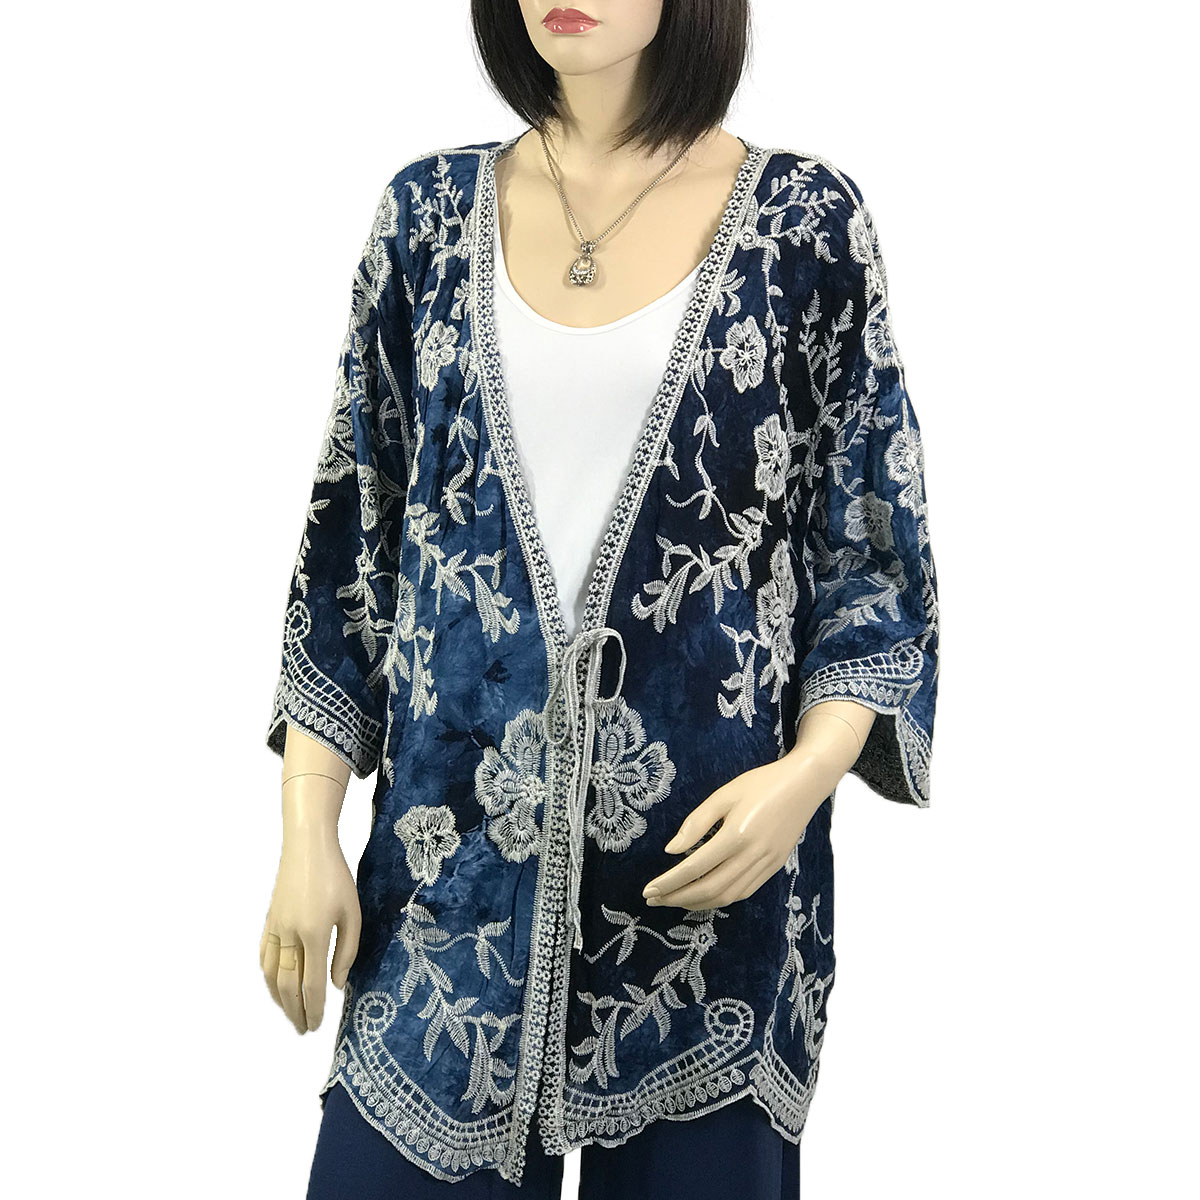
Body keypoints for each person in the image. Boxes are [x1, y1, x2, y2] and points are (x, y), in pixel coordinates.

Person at [260, 2, 940, 1197]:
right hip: (446, 899)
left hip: (707, 917)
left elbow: (871, 552)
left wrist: (806, 774)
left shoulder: (804, 223)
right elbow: (349, 547)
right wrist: (306, 831)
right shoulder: (426, 216)